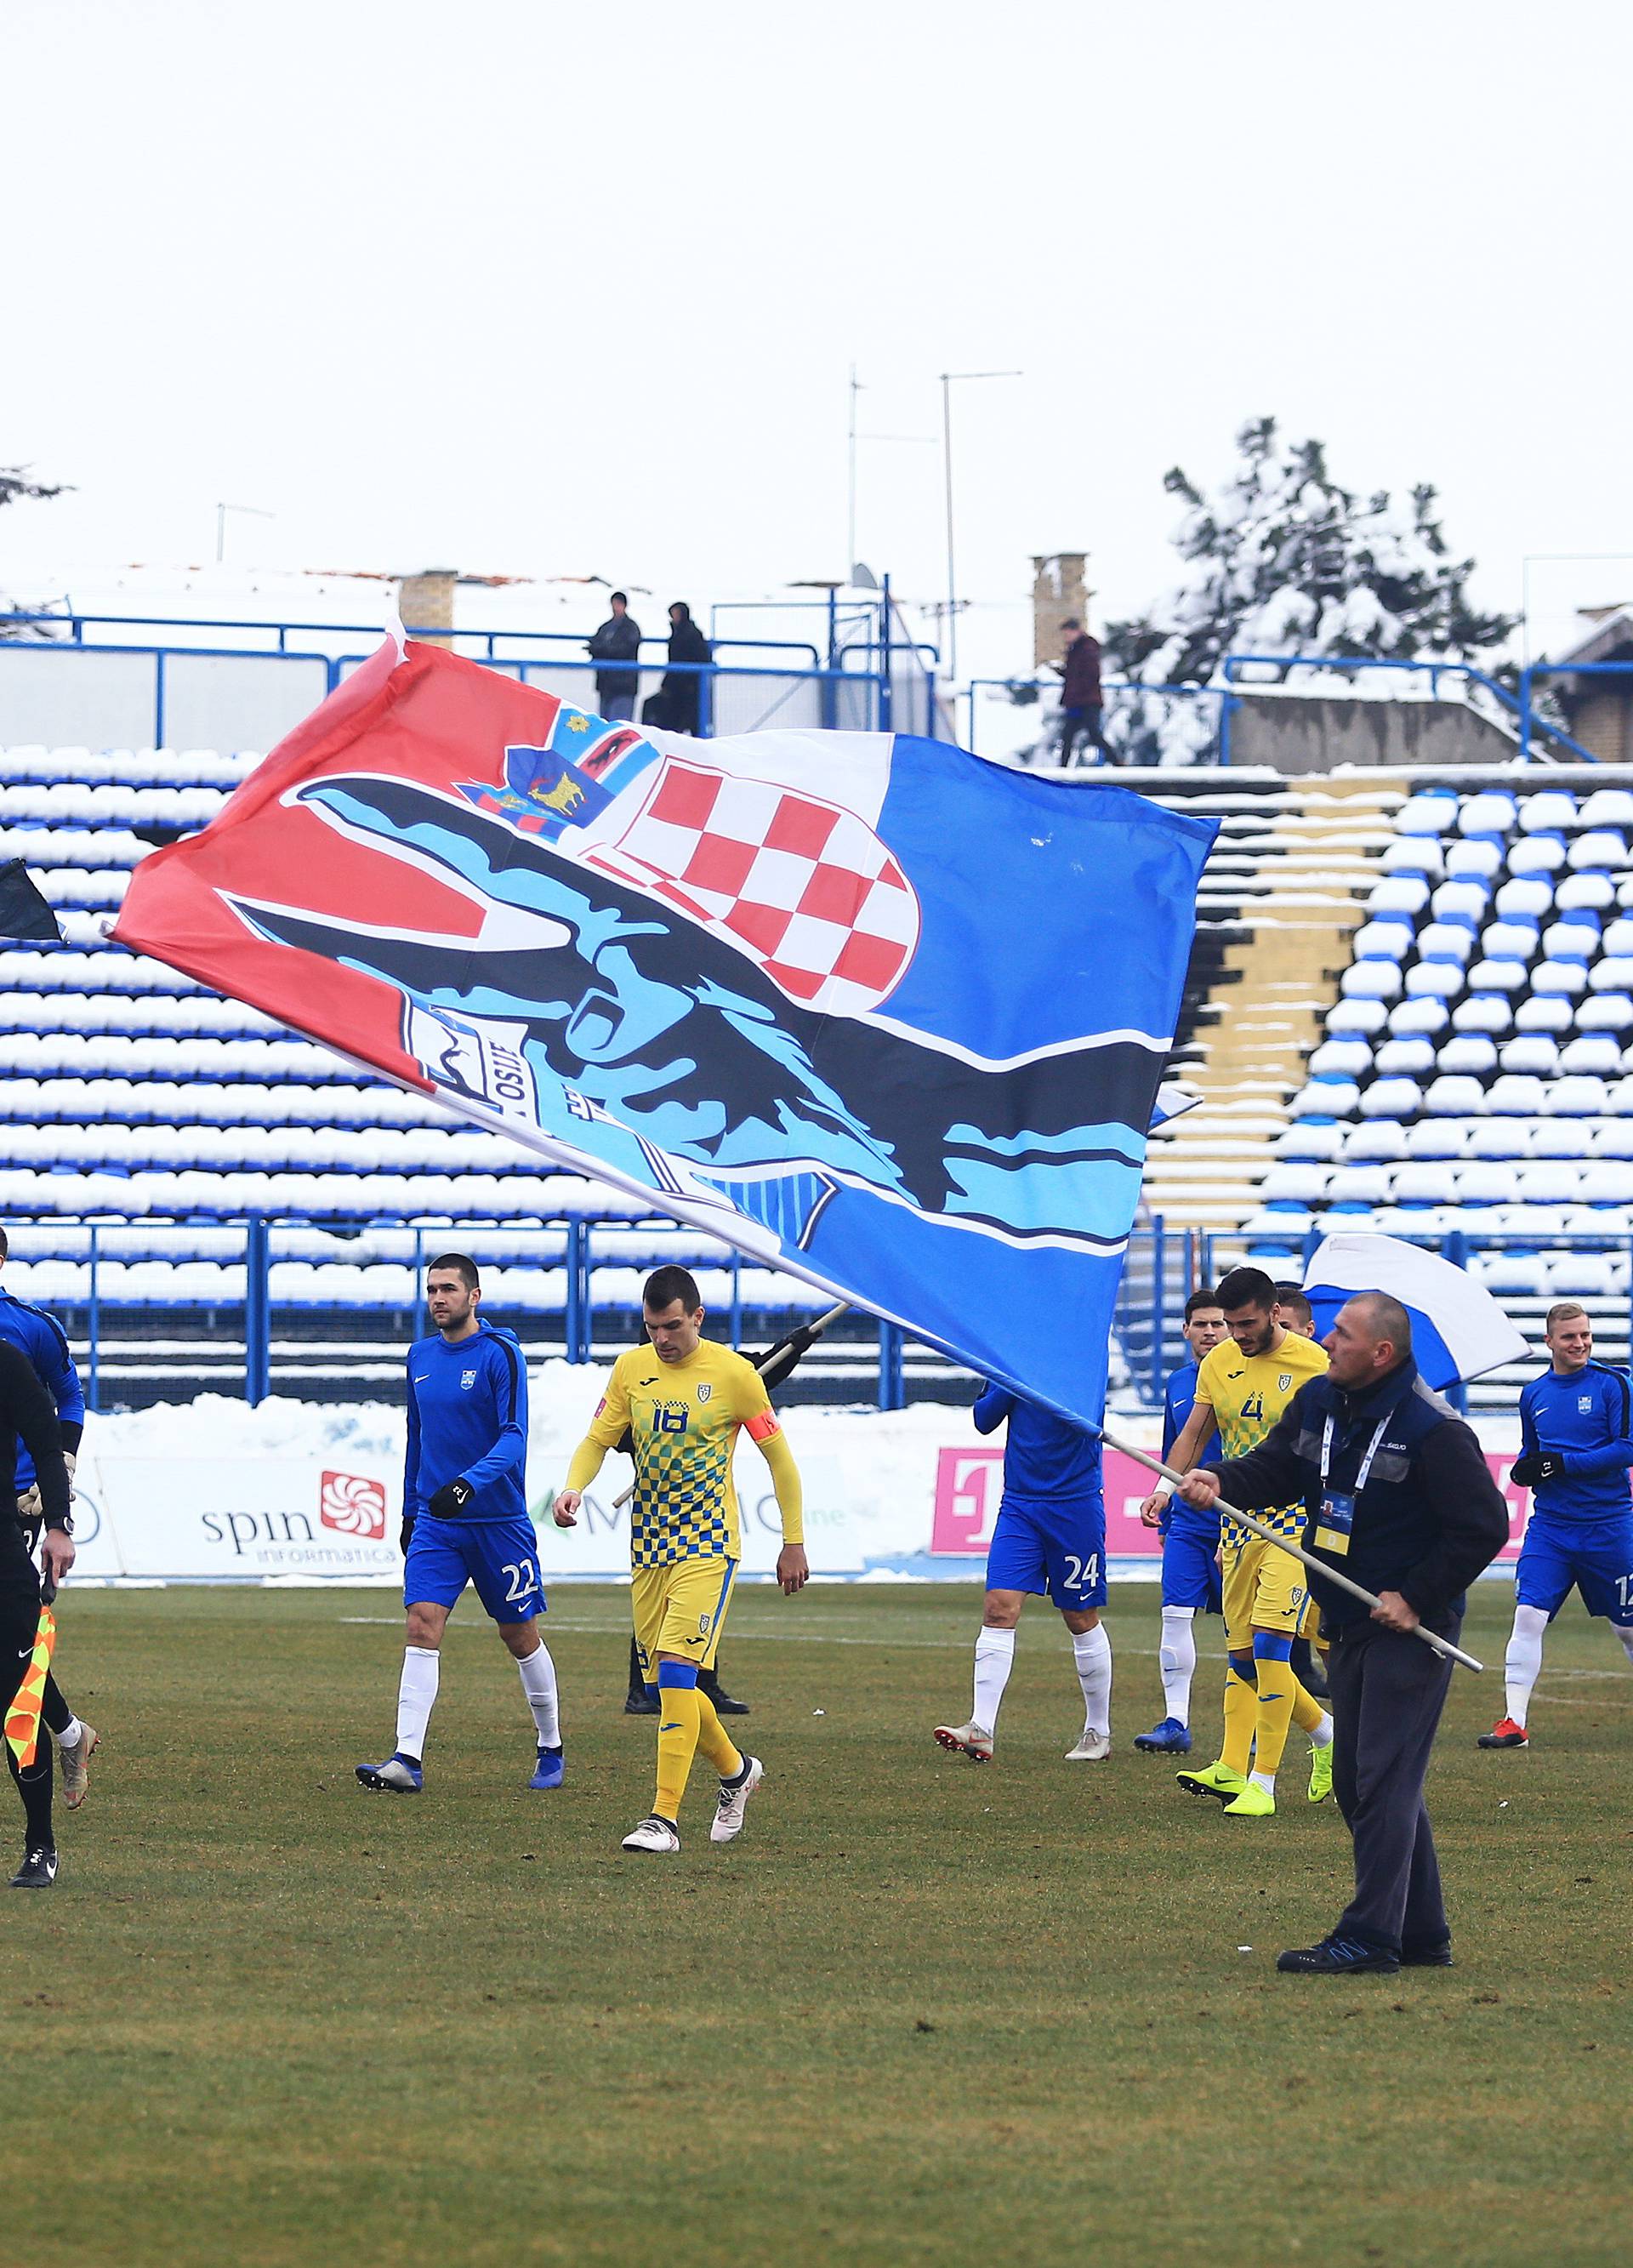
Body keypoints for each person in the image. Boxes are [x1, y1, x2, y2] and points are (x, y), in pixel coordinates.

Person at [1175, 1292, 1511, 1974]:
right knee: (1362, 1783)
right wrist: (1218, 1477)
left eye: (1344, 1336)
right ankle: (1422, 1933)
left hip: (1409, 1629)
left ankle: (1371, 1937)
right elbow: (1276, 1469)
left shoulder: (1433, 1427)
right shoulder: (1322, 1402)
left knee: (1382, 1779)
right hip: (1347, 1616)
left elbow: (1484, 1527)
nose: (1327, 1342)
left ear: (1382, 1352)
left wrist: (1415, 1597)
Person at [554, 1265, 807, 1854]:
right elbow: (597, 1438)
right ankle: (738, 1773)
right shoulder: (631, 1369)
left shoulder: (735, 1375)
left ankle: (662, 1820)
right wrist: (574, 1487)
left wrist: (792, 1541)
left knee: (674, 1672)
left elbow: (781, 1461)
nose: (662, 1340)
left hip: (708, 1547)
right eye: (651, 1329)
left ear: (697, 1317)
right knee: (670, 1687)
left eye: (671, 1327)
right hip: (649, 1547)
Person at [356, 1255, 562, 1796]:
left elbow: (514, 1436)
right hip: (436, 1521)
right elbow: (416, 1437)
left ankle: (550, 1744)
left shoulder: (501, 1353)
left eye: (448, 1289)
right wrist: (409, 1509)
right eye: (431, 1290)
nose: (438, 1299)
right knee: (421, 1625)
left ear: (474, 1296)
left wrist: (468, 1483)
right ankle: (406, 1759)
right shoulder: (419, 1356)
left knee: (519, 1635)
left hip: (497, 1521)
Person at [1150, 1265, 1334, 1816]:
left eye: (1246, 1323)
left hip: (1294, 1526)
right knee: (1242, 1658)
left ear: (1274, 1312)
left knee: (1273, 1648)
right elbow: (1195, 1434)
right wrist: (1165, 1487)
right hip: (1235, 1524)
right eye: (1229, 1324)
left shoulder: (1315, 1366)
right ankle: (1279, 1751)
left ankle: (1264, 1782)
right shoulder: (1220, 1362)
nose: (1236, 1334)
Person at [933, 1382, 1113, 1764]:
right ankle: (981, 1729)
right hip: (1020, 1504)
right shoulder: (1010, 1361)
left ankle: (1098, 1730)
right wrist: (1008, 1378)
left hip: (1075, 1505)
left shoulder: (1081, 1359)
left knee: (1080, 1616)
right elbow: (984, 1420)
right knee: (999, 1607)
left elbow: (1085, 1419)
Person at [1480, 1302, 1633, 1750]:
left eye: (1585, 1334)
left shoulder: (1614, 1384)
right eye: (1569, 1337)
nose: (1580, 1343)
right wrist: (1525, 1470)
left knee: (1627, 1629)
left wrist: (1563, 1465)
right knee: (1527, 1616)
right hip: (1551, 1528)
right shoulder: (1534, 1394)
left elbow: (1627, 1448)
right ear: (1549, 1341)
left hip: (1610, 1526)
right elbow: (1533, 1455)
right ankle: (1514, 1723)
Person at [0, 1229, 98, 1807]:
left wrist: (58, 1469)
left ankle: (61, 1737)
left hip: (17, 1501)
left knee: (13, 1639)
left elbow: (71, 1398)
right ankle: (68, 1732)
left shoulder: (31, 1326)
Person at [1135, 1288, 1227, 1754]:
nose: (1210, 1332)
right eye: (1202, 1324)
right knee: (1174, 1614)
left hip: (1239, 1521)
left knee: (1247, 1631)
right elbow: (1178, 1446)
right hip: (1189, 1522)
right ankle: (1176, 1722)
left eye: (1219, 1323)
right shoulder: (1177, 1383)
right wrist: (1165, 1501)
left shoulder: (1244, 1379)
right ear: (1186, 1330)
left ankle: (1250, 1728)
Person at [0, 1339, 75, 1887]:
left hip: (2, 1556)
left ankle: (39, 1847)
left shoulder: (6, 1359)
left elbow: (48, 1446)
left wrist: (57, 1527)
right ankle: (73, 1731)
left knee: (16, 1701)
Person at [1274, 1282, 1331, 1702]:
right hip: (1272, 1519)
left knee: (1331, 1618)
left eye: (1287, 1327)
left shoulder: (1328, 1379)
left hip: (1321, 1515)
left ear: (1309, 1329)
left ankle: (1348, 1712)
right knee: (1266, 1635)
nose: (1278, 1335)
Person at [641, 601, 713, 736]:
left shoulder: (691, 635)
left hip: (688, 688)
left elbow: (699, 658)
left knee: (690, 721)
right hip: (676, 686)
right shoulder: (677, 634)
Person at [1055, 618, 1109, 767]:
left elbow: (1090, 674)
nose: (1066, 638)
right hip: (1078, 700)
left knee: (1093, 734)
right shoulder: (1078, 649)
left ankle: (1117, 762)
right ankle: (1063, 767)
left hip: (1086, 700)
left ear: (1076, 631)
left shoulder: (1086, 648)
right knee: (1068, 736)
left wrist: (1079, 688)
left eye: (1067, 634)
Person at [586, 590, 643, 722]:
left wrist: (603, 650)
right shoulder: (606, 627)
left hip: (623, 684)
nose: (615, 607)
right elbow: (596, 644)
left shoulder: (631, 628)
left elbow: (625, 649)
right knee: (605, 724)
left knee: (620, 724)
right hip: (607, 683)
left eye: (618, 604)